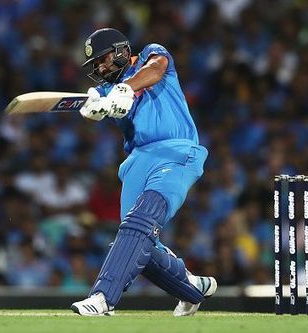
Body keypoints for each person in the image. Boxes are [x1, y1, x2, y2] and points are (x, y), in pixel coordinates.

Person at [71, 28, 217, 316]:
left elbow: (156, 69)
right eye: (96, 65)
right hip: (137, 161)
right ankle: (192, 288)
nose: (101, 68)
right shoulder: (105, 89)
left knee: (141, 220)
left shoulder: (152, 54)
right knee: (138, 244)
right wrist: (93, 106)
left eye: (103, 59)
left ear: (121, 50)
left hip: (176, 151)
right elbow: (95, 103)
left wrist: (127, 88)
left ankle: (103, 297)